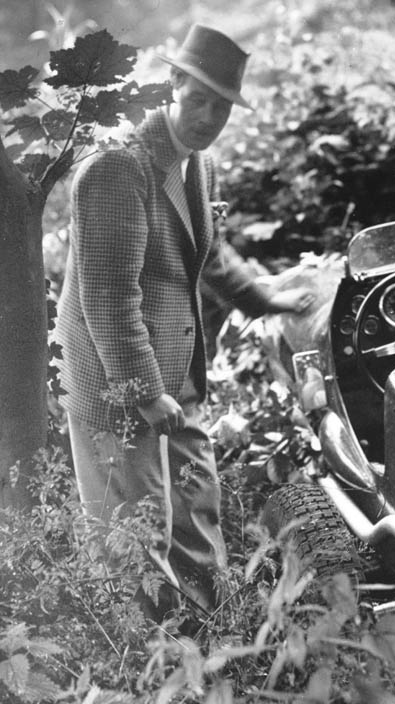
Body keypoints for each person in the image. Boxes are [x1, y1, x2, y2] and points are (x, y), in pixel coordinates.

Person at [55, 24, 314, 624]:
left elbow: (210, 255)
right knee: (135, 530)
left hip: (174, 370)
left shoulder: (199, 164)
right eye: (197, 99)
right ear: (172, 83)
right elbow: (108, 298)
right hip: (115, 384)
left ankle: (213, 628)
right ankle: (149, 652)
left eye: (222, 107)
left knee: (196, 498)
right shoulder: (118, 167)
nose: (208, 118)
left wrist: (264, 300)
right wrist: (145, 394)